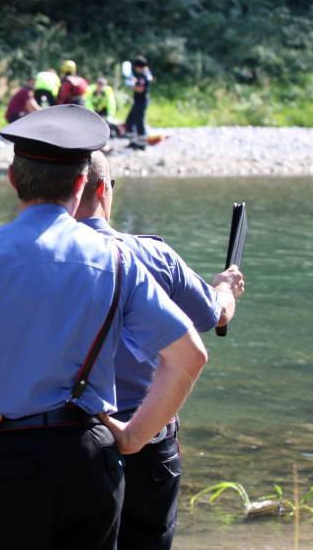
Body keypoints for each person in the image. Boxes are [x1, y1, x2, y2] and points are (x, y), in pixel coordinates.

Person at [0, 105, 208, 550]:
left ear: (13, 179)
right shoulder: (118, 258)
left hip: (5, 460)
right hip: (90, 459)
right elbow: (189, 355)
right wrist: (132, 436)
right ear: (80, 183)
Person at [75, 150, 245, 550]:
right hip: (148, 438)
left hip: (73, 438)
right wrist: (225, 287)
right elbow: (216, 315)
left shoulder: (40, 259)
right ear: (102, 189)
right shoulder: (152, 255)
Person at [125, 55, 153, 150]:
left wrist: (130, 85)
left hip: (141, 102)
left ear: (138, 66)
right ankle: (134, 142)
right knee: (130, 121)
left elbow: (140, 89)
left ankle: (141, 144)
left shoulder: (143, 75)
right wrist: (134, 81)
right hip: (140, 101)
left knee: (138, 122)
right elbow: (142, 83)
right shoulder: (146, 73)